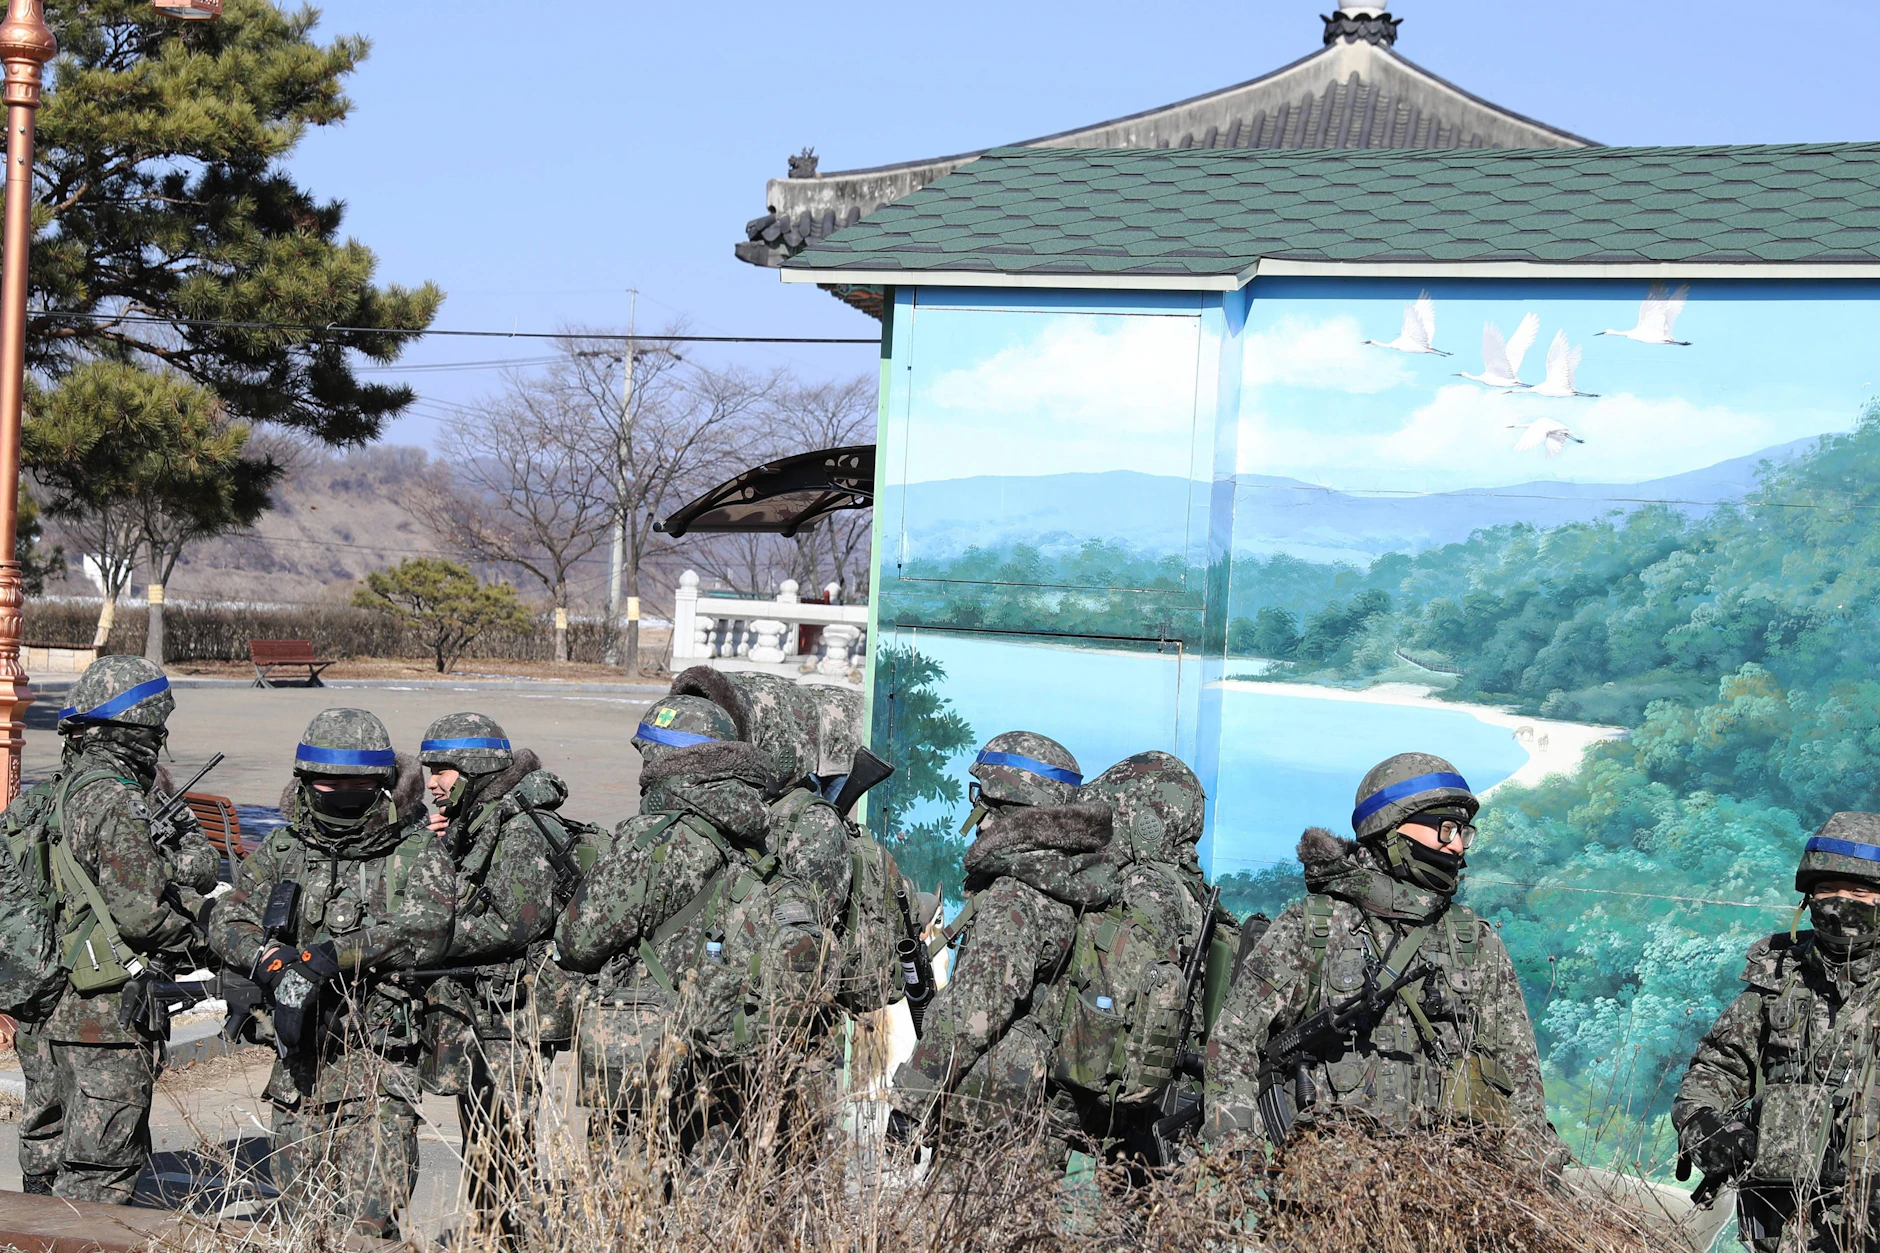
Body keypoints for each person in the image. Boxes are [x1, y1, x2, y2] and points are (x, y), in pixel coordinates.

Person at [1203, 753, 1558, 1160]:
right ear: (1391, 830)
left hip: (1450, 1191)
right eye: (1446, 829)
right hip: (1329, 1193)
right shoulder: (1314, 926)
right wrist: (1239, 1155)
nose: (1457, 846)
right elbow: (1231, 1042)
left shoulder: (1473, 942)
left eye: (1463, 832)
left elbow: (1521, 1078)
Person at [206, 709, 451, 1240]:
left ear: (382, 784)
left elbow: (427, 928)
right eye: (327, 781)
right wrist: (272, 962)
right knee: (302, 1224)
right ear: (304, 781)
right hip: (298, 1074)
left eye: (356, 783)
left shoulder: (413, 852)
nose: (340, 791)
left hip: (378, 1070)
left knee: (368, 1226)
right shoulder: (286, 848)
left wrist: (331, 956)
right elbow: (228, 918)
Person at [9, 656, 204, 1202]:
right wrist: (208, 929)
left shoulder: (49, 796)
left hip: (41, 1001)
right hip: (103, 1011)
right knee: (100, 1168)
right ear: (140, 730)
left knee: (46, 1147)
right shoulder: (115, 798)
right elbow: (142, 914)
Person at [554, 673, 777, 1136]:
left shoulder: (650, 837)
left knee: (628, 1191)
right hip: (725, 1045)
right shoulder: (757, 833)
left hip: (646, 1053)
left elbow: (579, 941)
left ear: (663, 758)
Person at [889, 732, 1119, 1156]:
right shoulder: (1063, 880)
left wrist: (909, 1099)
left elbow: (975, 1009)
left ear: (1005, 801)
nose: (977, 815)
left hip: (985, 1123)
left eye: (981, 797)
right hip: (1029, 1117)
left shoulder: (1016, 896)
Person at [1673, 812, 1880, 1251]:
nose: (1842, 903)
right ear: (1807, 900)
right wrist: (1710, 1131)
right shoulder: (1777, 981)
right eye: (1827, 891)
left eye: (1861, 892)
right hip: (1782, 1229)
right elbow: (1713, 1073)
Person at [416, 712, 576, 1239]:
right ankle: (494, 1234)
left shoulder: (521, 829)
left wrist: (424, 936)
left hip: (512, 1012)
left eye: (444, 769)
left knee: (502, 1136)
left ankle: (509, 1237)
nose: (432, 782)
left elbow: (514, 922)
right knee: (484, 1133)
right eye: (429, 769)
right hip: (486, 1006)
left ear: (478, 769)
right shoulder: (479, 821)